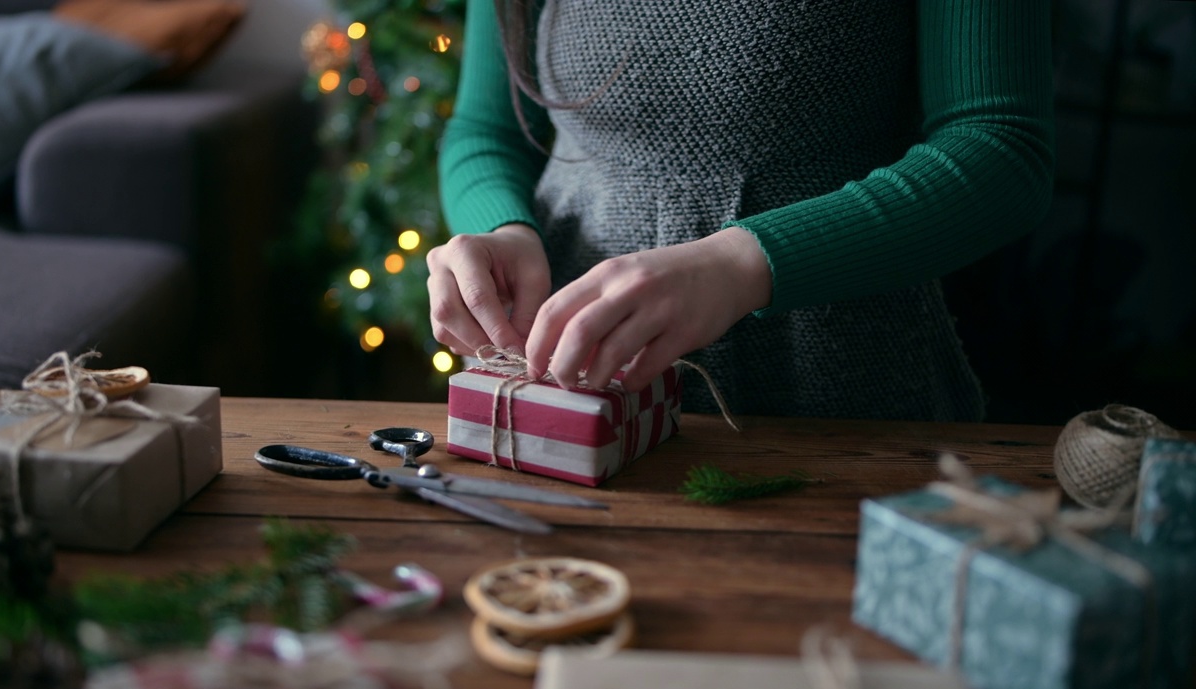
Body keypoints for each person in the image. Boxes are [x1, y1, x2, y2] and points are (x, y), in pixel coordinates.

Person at [427, 0, 1054, 421]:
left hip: (840, 395)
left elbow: (1001, 148)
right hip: (569, 398)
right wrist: (502, 229)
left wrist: (739, 264)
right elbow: (488, 131)